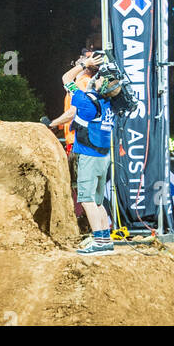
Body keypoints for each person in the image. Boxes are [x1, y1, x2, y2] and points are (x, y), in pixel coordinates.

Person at [45, 51, 121, 254]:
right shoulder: (107, 103)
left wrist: (83, 65)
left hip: (89, 156)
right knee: (97, 200)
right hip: (103, 156)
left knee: (87, 200)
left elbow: (65, 79)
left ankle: (99, 242)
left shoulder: (87, 102)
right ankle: (105, 238)